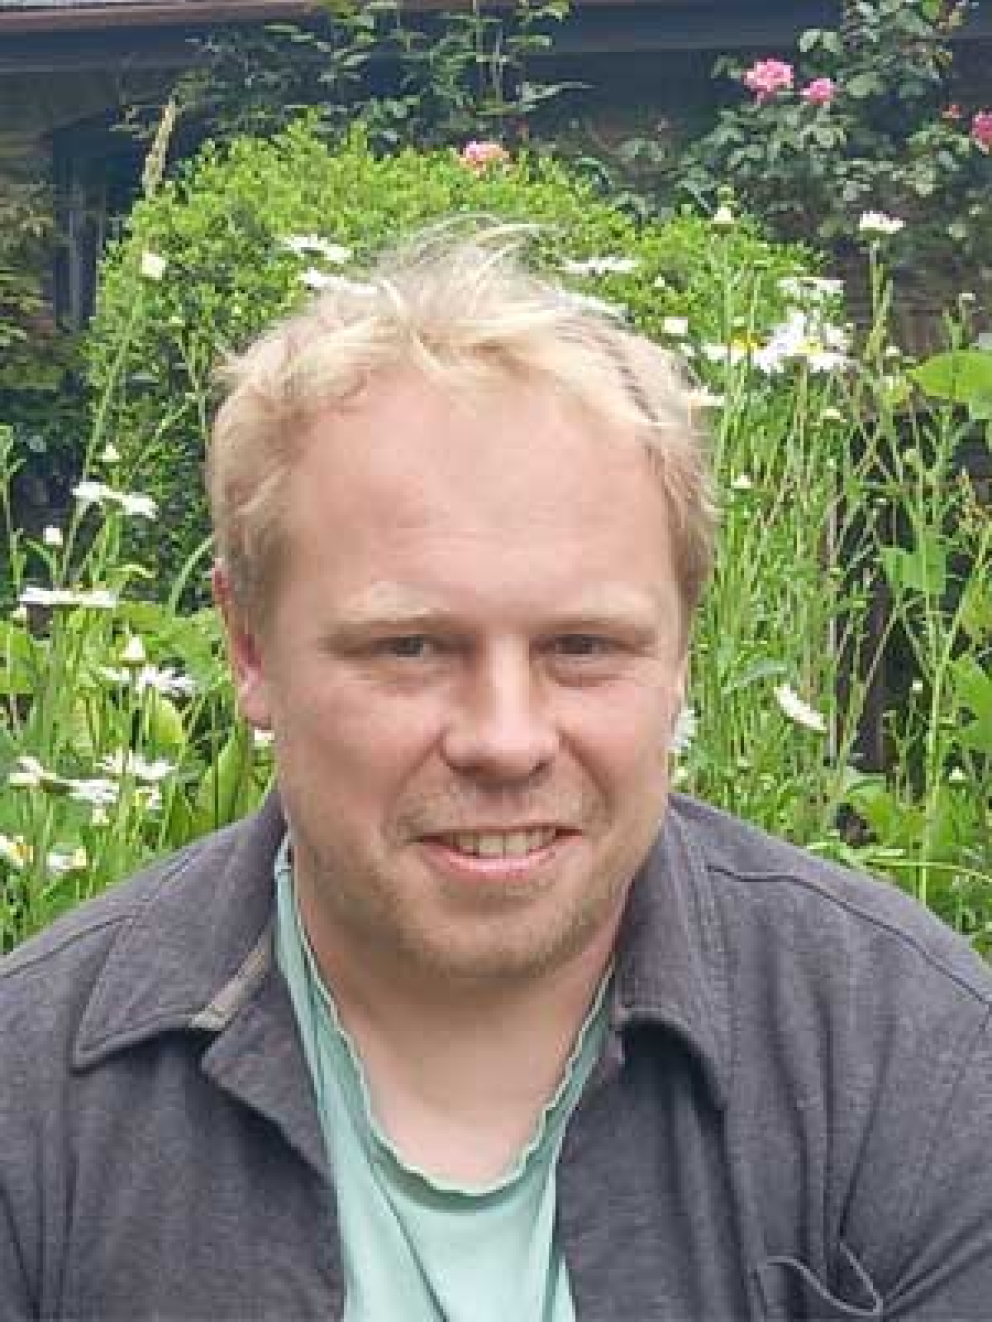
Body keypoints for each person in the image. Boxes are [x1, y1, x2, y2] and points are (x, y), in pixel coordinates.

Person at [2, 226, 991, 1322]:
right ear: (249, 648)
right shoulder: (33, 1107)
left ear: (681, 650)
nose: (506, 738)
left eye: (583, 647)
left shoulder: (909, 1060)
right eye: (409, 647)